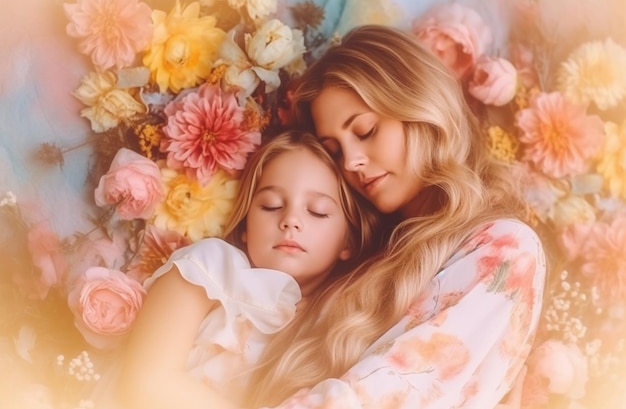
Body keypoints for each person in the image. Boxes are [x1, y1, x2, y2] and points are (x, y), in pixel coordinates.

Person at [121, 24, 546, 409]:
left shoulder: (504, 247)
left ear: (421, 106)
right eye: (337, 149)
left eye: (365, 131)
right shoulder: (351, 259)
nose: (354, 163)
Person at [117, 130, 381, 408]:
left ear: (348, 241)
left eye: (316, 211)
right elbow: (147, 382)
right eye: (271, 206)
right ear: (246, 226)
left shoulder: (338, 331)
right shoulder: (209, 268)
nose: (290, 220)